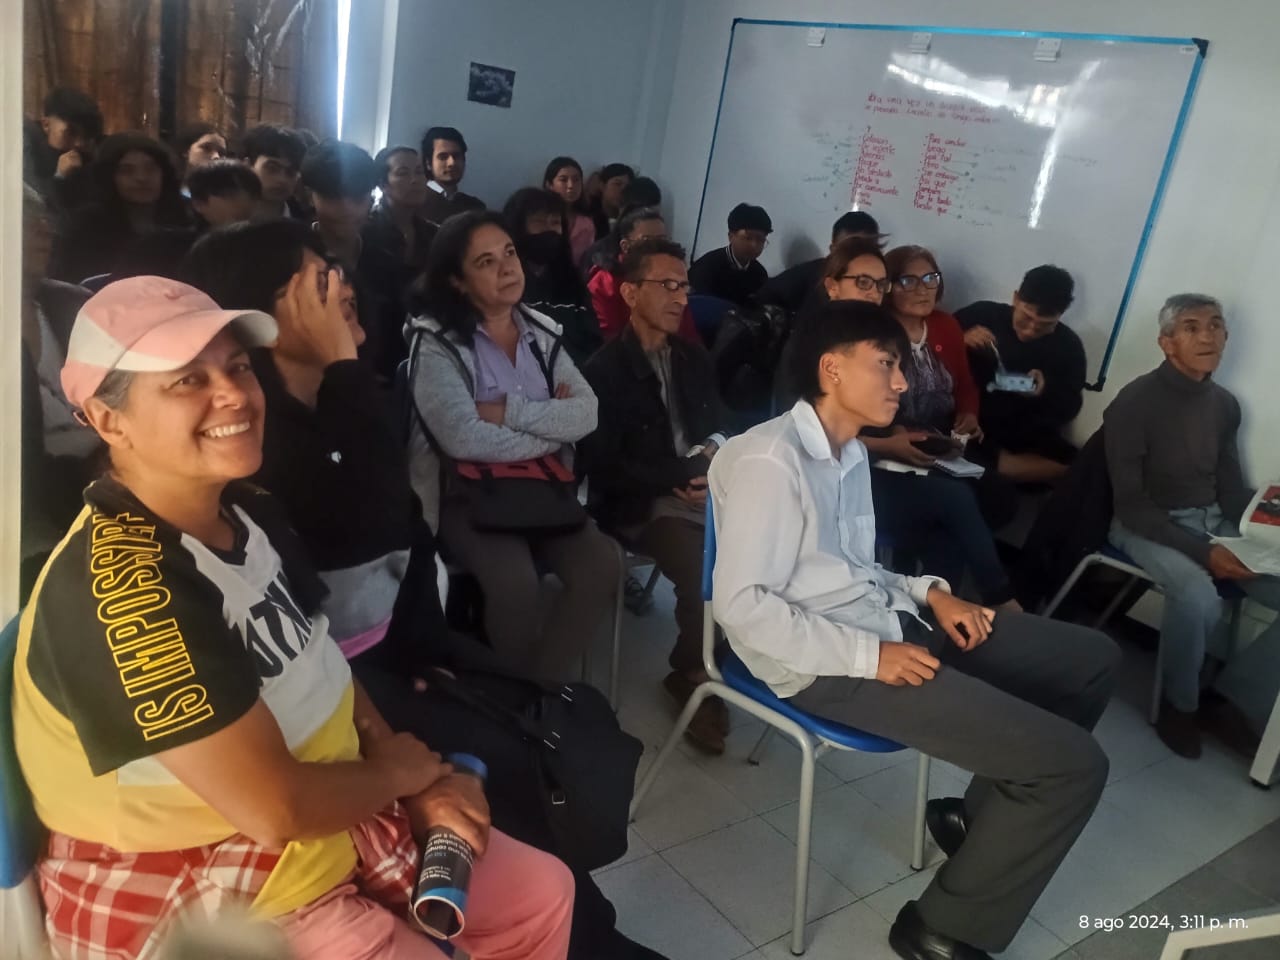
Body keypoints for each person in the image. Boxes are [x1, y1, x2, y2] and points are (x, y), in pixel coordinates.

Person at [13, 275, 575, 960]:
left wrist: (403, 765)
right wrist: (400, 779)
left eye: (239, 367)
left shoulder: (248, 511)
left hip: (330, 807)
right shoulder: (127, 593)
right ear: (107, 420)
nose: (234, 396)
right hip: (209, 884)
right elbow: (275, 810)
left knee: (544, 893)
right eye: (186, 380)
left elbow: (320, 655)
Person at [183, 220, 668, 960]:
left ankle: (577, 920)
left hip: (399, 643)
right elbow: (375, 523)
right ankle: (583, 935)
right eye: (317, 282)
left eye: (335, 271)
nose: (342, 287)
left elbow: (405, 532)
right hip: (339, 679)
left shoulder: (352, 394)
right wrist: (348, 368)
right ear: (260, 315)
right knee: (503, 766)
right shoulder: (257, 435)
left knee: (556, 723)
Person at [709, 298, 1119, 960]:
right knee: (1073, 767)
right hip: (822, 665)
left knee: (1092, 660)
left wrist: (932, 594)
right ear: (831, 369)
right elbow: (745, 608)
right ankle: (942, 927)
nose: (903, 382)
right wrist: (871, 656)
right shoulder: (769, 461)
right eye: (887, 364)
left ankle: (977, 820)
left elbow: (855, 570)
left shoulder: (843, 455)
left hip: (886, 626)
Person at [406, 210, 619, 683]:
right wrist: (550, 428)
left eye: (509, 253)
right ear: (458, 282)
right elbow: (462, 437)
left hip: (542, 488)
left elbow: (587, 414)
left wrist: (504, 412)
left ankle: (534, 692)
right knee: (514, 582)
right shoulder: (436, 342)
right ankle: (512, 698)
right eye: (486, 261)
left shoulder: (541, 333)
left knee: (603, 565)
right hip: (467, 493)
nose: (507, 268)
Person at [788, 238, 1021, 610]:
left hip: (892, 453)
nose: (874, 293)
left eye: (879, 284)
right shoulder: (815, 345)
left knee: (959, 520)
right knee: (954, 501)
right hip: (841, 476)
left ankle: (934, 627)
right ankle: (1000, 603)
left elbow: (960, 387)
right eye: (863, 282)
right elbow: (810, 436)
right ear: (833, 285)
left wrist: (942, 426)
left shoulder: (881, 334)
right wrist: (890, 443)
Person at [1105, 293, 1280, 759]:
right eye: (1191, 326)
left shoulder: (1224, 404)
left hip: (1213, 521)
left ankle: (1228, 701)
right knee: (1198, 595)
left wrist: (1269, 516)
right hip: (1146, 524)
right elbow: (1133, 505)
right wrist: (1205, 554)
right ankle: (1179, 706)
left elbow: (1230, 489)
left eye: (1216, 325)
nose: (1207, 335)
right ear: (1166, 342)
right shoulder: (1135, 402)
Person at [580, 237, 735, 754]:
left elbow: (720, 425)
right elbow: (603, 466)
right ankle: (691, 674)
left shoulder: (692, 356)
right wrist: (676, 477)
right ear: (629, 293)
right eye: (665, 285)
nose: (679, 297)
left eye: (683, 285)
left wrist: (711, 462)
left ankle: (722, 656)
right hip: (641, 502)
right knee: (703, 572)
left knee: (758, 556)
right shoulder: (602, 370)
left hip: (701, 488)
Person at [19, 184, 99, 598]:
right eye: (29, 223)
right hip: (30, 501)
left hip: (105, 473)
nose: (45, 233)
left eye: (45, 224)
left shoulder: (74, 306)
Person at [957, 265, 1086, 483]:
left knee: (1086, 463)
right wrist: (960, 339)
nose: (1030, 330)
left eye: (1043, 326)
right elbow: (932, 349)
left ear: (1060, 315)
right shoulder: (982, 315)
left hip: (1026, 429)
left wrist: (1045, 390)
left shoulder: (1068, 346)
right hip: (976, 420)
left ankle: (1011, 467)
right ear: (1016, 299)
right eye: (1025, 318)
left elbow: (1070, 406)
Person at [300, 139, 405, 380]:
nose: (347, 209)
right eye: (334, 198)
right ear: (309, 196)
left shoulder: (386, 263)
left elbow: (395, 338)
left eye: (358, 197)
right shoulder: (294, 260)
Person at [50, 131, 191, 284]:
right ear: (110, 177)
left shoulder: (186, 219)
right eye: (127, 171)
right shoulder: (86, 227)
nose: (141, 178)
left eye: (150, 169)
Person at [586, 207, 698, 343]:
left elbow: (688, 335)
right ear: (625, 246)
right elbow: (609, 338)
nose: (657, 248)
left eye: (662, 240)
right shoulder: (604, 282)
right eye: (647, 240)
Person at [755, 210, 882, 315]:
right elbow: (766, 295)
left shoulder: (880, 285)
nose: (857, 257)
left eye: (867, 250)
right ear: (833, 250)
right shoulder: (814, 274)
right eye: (848, 249)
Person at [23, 87, 103, 210]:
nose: (79, 143)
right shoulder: (29, 151)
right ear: (46, 124)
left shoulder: (91, 161)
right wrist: (60, 176)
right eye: (71, 132)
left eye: (86, 135)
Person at [366, 145, 439, 279]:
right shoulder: (366, 230)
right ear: (383, 184)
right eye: (403, 173)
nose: (415, 180)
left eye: (419, 172)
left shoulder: (433, 233)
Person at [688, 203, 773, 307]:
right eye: (748, 238)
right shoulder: (706, 268)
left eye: (760, 240)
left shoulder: (760, 274)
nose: (754, 245)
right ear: (731, 236)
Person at [420, 126, 485, 224]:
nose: (452, 163)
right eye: (443, 157)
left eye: (456, 156)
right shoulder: (416, 202)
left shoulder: (475, 207)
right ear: (428, 163)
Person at [243, 124, 308, 220]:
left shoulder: (305, 227)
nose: (282, 179)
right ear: (248, 166)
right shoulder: (224, 219)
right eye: (272, 168)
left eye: (290, 172)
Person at [544, 156, 597, 266]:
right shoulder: (541, 217)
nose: (571, 186)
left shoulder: (586, 223)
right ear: (550, 185)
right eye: (563, 180)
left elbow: (585, 262)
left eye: (576, 179)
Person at [187, 158, 261, 228]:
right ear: (199, 204)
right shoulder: (183, 240)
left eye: (253, 196)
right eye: (231, 194)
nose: (246, 203)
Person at [588, 162, 634, 237]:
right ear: (602, 186)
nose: (623, 190)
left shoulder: (631, 220)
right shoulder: (588, 218)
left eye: (628, 186)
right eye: (617, 184)